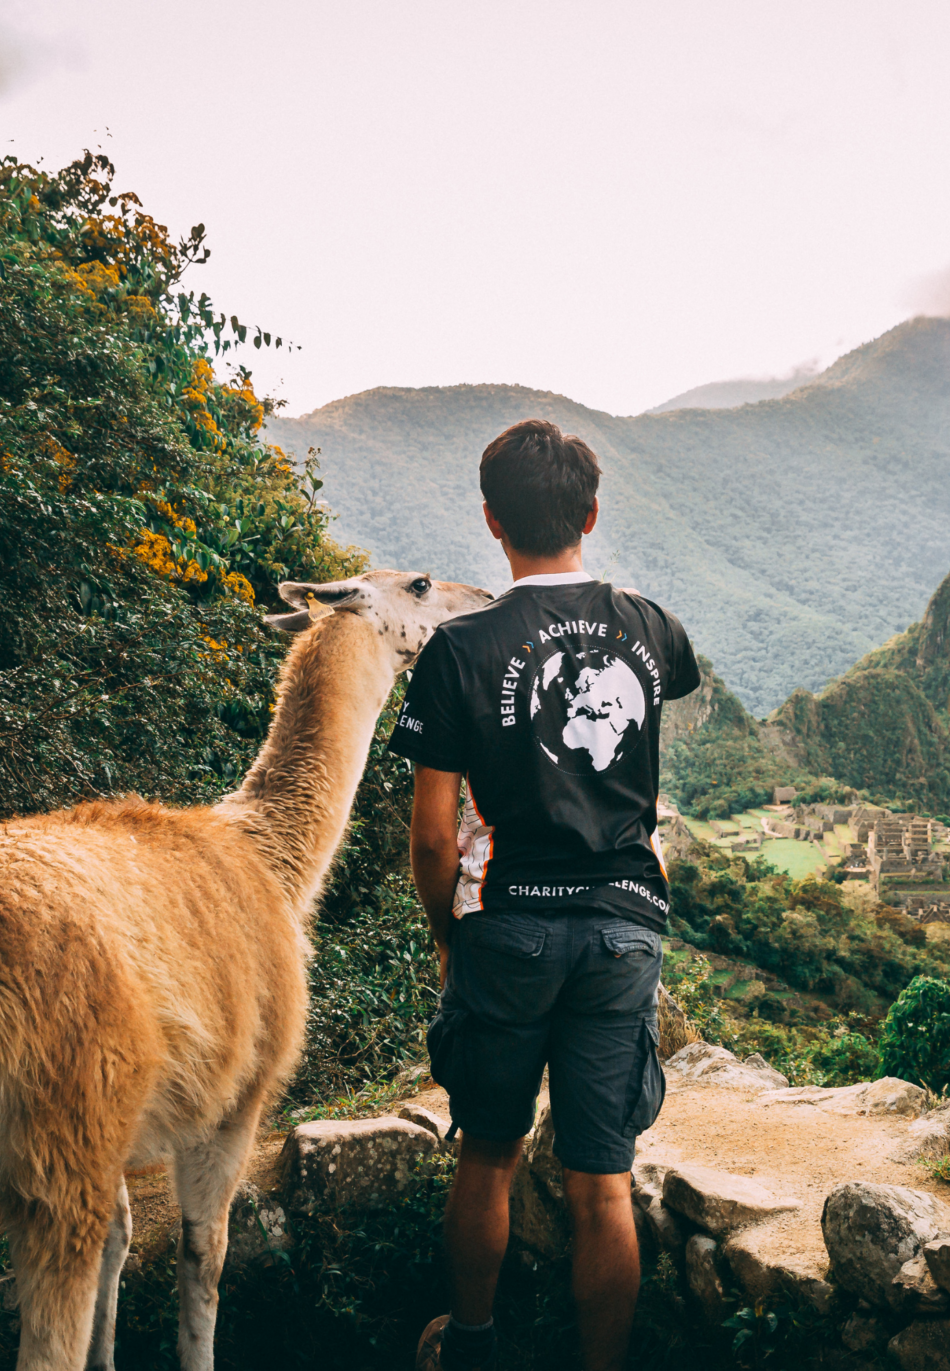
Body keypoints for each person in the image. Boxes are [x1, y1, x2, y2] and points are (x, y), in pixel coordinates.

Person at [391, 418, 699, 1371]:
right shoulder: (651, 628)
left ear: (491, 520)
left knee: (487, 1149)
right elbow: (644, 781)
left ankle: (473, 1347)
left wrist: (451, 934)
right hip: (623, 927)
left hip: (511, 923)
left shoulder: (459, 649)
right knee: (603, 1179)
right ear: (592, 513)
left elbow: (434, 834)